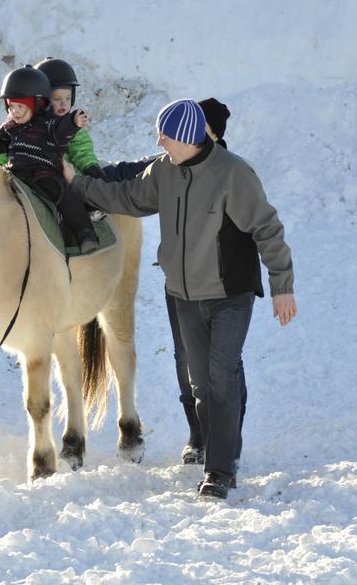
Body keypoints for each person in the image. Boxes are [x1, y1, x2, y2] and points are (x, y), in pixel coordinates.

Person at [64, 99, 297, 500]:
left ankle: (220, 471)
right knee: (201, 381)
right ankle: (219, 448)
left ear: (189, 139)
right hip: (183, 295)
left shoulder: (234, 174)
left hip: (229, 294)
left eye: (166, 136)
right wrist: (75, 183)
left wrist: (283, 286)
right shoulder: (163, 171)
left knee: (221, 376)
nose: (159, 142)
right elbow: (126, 197)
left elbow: (267, 228)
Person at [100, 99, 247, 468]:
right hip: (181, 287)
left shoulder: (229, 173)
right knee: (187, 363)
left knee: (223, 369)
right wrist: (90, 174)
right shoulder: (171, 167)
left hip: (224, 287)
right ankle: (199, 436)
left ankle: (226, 445)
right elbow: (130, 175)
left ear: (213, 133)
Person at [0, 64, 100, 253]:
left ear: (37, 104)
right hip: (15, 173)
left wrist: (72, 122)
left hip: (44, 174)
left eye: (20, 106)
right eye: (11, 106)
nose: (15, 111)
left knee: (64, 195)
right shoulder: (10, 128)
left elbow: (62, 130)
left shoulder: (49, 125)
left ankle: (85, 234)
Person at [0, 58, 107, 182]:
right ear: (41, 100)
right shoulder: (19, 124)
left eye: (68, 98)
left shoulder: (71, 126)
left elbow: (81, 150)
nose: (63, 104)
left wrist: (90, 167)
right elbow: (5, 148)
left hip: (60, 178)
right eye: (57, 99)